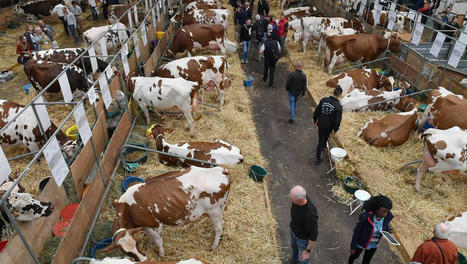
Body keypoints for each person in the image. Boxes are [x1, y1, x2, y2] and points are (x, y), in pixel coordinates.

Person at [348, 195, 394, 264]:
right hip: (361, 242)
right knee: (355, 255)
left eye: (387, 212)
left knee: (366, 261)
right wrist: (353, 247)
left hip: (373, 244)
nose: (385, 214)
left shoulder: (385, 218)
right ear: (376, 208)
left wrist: (389, 232)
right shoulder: (365, 218)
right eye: (383, 212)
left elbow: (385, 226)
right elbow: (357, 232)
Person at [312, 87, 342, 164]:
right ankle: (318, 157)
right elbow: (337, 120)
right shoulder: (338, 106)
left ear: (333, 92)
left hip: (321, 124)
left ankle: (322, 146)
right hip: (329, 127)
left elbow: (317, 111)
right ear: (340, 95)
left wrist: (315, 119)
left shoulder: (324, 100)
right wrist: (335, 130)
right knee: (323, 138)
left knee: (322, 138)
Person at [289, 185, 318, 264]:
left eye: (292, 199)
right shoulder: (299, 198)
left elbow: (314, 236)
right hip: (293, 231)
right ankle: (294, 261)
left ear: (300, 200)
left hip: (302, 239)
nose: (290, 199)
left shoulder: (310, 215)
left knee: (303, 258)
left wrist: (307, 251)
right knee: (294, 248)